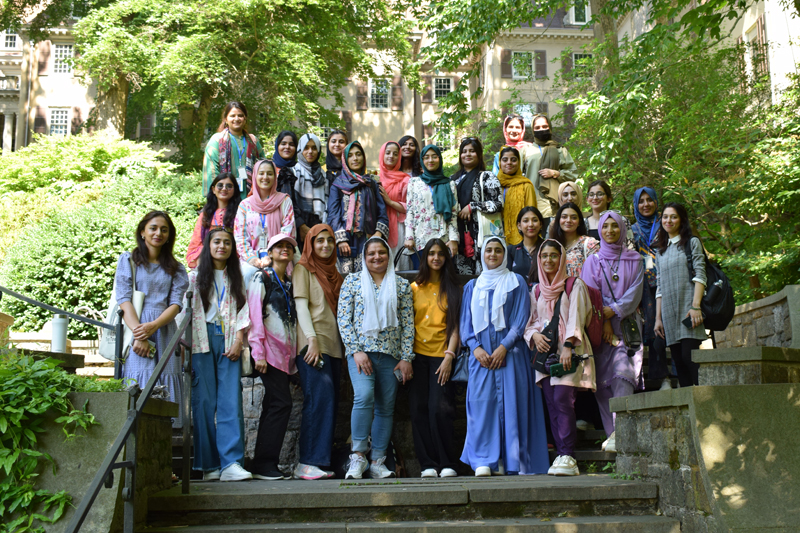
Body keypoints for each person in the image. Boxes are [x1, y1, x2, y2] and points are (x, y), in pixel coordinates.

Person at [460, 237, 549, 476]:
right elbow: (466, 327)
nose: (493, 254)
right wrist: (476, 348)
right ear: (482, 254)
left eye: (498, 250)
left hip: (511, 354)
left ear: (504, 255)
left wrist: (504, 347)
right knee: (481, 405)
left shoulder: (516, 282)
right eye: (488, 250)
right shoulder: (472, 286)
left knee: (513, 405)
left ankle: (511, 461)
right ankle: (483, 460)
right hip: (481, 357)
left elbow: (521, 320)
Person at [337, 237, 415, 479]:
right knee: (363, 396)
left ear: (389, 255)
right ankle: (358, 457)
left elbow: (408, 324)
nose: (377, 257)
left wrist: (406, 357)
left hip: (391, 356)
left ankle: (378, 461)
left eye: (382, 252)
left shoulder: (401, 285)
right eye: (371, 253)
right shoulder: (352, 282)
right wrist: (356, 351)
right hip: (361, 354)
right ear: (364, 256)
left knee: (386, 408)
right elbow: (343, 319)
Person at [182, 227, 252, 481]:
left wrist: (239, 340)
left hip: (229, 341)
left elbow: (245, 312)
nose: (222, 246)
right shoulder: (193, 278)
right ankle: (208, 466)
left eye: (227, 243)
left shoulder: (237, 278)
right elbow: (184, 314)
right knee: (203, 402)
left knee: (230, 401)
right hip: (201, 340)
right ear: (208, 246)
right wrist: (184, 345)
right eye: (217, 242)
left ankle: (231, 463)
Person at [525, 240, 595, 476]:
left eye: (554, 255)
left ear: (562, 258)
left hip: (569, 353)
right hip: (545, 356)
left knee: (564, 400)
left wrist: (567, 345)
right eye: (544, 256)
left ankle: (568, 455)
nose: (548, 260)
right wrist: (534, 335)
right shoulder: (535, 290)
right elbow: (531, 321)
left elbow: (578, 317)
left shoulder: (573, 285)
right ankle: (561, 455)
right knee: (552, 404)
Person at [115, 211, 189, 427]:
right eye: (153, 228)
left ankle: (168, 432)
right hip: (135, 324)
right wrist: (140, 334)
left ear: (169, 235)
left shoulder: (176, 268)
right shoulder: (128, 261)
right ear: (143, 232)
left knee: (166, 376)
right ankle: (135, 431)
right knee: (140, 378)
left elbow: (176, 304)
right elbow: (123, 298)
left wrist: (154, 326)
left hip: (164, 328)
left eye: (164, 230)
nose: (158, 233)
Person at [580, 212, 644, 453]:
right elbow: (590, 292)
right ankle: (614, 434)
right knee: (603, 382)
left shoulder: (636, 259)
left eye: (614, 226)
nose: (609, 230)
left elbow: (636, 292)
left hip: (627, 327)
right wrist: (605, 321)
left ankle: (622, 432)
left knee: (622, 375)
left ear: (622, 229)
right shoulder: (592, 261)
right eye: (604, 226)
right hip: (600, 328)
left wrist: (614, 311)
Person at [293, 225, 344, 480]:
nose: (325, 245)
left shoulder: (334, 273)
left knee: (329, 403)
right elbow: (301, 306)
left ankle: (318, 461)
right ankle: (307, 462)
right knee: (318, 400)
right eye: (319, 241)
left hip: (334, 347)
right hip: (313, 346)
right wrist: (311, 340)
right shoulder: (303, 268)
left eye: (330, 240)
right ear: (310, 244)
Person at [247, 233, 299, 480]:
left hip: (284, 357)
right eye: (279, 245)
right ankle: (265, 464)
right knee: (282, 403)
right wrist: (257, 352)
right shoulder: (262, 277)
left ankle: (263, 463)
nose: (285, 249)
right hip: (267, 354)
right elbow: (254, 316)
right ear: (270, 251)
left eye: (289, 246)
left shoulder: (288, 282)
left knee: (273, 404)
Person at [409, 239, 462, 478]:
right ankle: (427, 464)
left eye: (441, 254)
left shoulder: (452, 288)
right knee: (419, 409)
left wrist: (449, 356)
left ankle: (447, 462)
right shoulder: (414, 288)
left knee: (440, 409)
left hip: (442, 357)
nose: (436, 258)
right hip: (417, 357)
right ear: (425, 257)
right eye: (431, 253)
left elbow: (456, 327)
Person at [654, 203, 707, 388]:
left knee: (689, 356)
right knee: (678, 360)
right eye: (665, 217)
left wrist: (696, 306)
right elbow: (659, 286)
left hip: (689, 308)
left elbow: (700, 275)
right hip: (669, 313)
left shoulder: (691, 243)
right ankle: (688, 406)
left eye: (674, 216)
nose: (669, 221)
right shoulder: (659, 250)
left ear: (682, 220)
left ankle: (705, 398)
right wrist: (657, 318)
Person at [327, 141, 389, 274]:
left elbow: (382, 213)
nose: (355, 158)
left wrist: (377, 235)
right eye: (350, 155)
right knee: (346, 279)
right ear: (345, 160)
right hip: (346, 242)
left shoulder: (371, 184)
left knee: (369, 279)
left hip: (369, 239)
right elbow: (333, 214)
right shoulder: (337, 185)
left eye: (358, 154)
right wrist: (341, 240)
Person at [631, 187, 671, 390]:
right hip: (643, 288)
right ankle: (654, 378)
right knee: (652, 330)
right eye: (641, 201)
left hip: (667, 282)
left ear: (656, 202)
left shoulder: (665, 225)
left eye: (649, 200)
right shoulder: (632, 230)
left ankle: (669, 374)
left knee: (665, 327)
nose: (645, 204)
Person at [450, 137, 503, 276]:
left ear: (479, 155)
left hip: (480, 234)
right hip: (458, 235)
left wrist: (472, 206)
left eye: (472, 151)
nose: (467, 154)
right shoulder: (453, 179)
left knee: (482, 275)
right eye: (464, 151)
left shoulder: (487, 177)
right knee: (460, 277)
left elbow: (497, 204)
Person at [234, 159, 295, 270]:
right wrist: (251, 258)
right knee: (248, 274)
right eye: (261, 173)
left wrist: (272, 256)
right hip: (250, 259)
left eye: (270, 174)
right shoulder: (245, 205)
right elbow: (240, 237)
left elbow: (288, 232)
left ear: (275, 176)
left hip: (279, 257)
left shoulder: (284, 201)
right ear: (254, 176)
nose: (265, 177)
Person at [404, 145, 460, 258]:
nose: (430, 160)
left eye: (434, 157)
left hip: (444, 240)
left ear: (439, 159)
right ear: (422, 160)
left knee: (443, 275)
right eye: (426, 157)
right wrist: (409, 237)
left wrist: (454, 239)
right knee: (421, 275)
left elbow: (453, 213)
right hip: (420, 241)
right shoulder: (414, 182)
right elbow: (410, 211)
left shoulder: (449, 184)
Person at [202, 102, 266, 197]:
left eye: (240, 115)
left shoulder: (253, 141)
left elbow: (263, 166)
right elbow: (211, 171)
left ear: (245, 119)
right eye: (232, 115)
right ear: (226, 119)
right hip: (225, 196)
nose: (236, 119)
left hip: (251, 198)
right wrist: (217, 197)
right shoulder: (217, 140)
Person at [524, 114, 578, 220]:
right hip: (532, 204)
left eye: (544, 127)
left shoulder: (560, 150)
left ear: (550, 128)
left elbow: (572, 174)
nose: (541, 130)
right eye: (537, 127)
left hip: (555, 206)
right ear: (533, 130)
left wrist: (556, 173)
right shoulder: (526, 151)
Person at [186, 172, 242, 269]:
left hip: (233, 260)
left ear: (234, 190)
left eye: (229, 186)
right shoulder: (205, 215)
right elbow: (196, 243)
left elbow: (242, 241)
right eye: (220, 185)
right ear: (213, 189)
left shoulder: (240, 214)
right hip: (207, 260)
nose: (224, 188)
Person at [376, 141, 415, 270]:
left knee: (399, 265)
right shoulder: (375, 178)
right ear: (382, 154)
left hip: (398, 227)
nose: (391, 156)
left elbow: (410, 207)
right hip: (377, 227)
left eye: (395, 154)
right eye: (387, 153)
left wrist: (390, 202)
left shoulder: (405, 180)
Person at [497, 146, 536, 247]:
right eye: (505, 160)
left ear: (519, 163)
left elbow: (532, 213)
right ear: (499, 163)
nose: (509, 162)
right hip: (496, 235)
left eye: (513, 160)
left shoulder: (526, 185)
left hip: (521, 238)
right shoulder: (494, 184)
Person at [292, 133, 328, 244]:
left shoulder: (323, 175)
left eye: (314, 148)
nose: (310, 152)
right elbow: (291, 202)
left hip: (319, 226)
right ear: (300, 149)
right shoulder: (293, 172)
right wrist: (301, 226)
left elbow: (327, 201)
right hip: (299, 227)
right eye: (306, 148)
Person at [548, 202, 599, 278]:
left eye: (574, 217)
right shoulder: (553, 245)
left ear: (579, 222)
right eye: (564, 217)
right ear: (559, 220)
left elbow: (597, 274)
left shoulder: (589, 244)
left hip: (582, 289)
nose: (568, 220)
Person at [507, 206, 545, 286]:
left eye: (534, 220)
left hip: (543, 296)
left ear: (541, 224)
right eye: (525, 221)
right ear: (519, 225)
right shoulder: (511, 251)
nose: (530, 224)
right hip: (519, 296)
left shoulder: (548, 248)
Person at [273, 130, 299, 195]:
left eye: (291, 144)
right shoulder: (269, 168)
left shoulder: (300, 169)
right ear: (277, 146)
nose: (287, 147)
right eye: (283, 144)